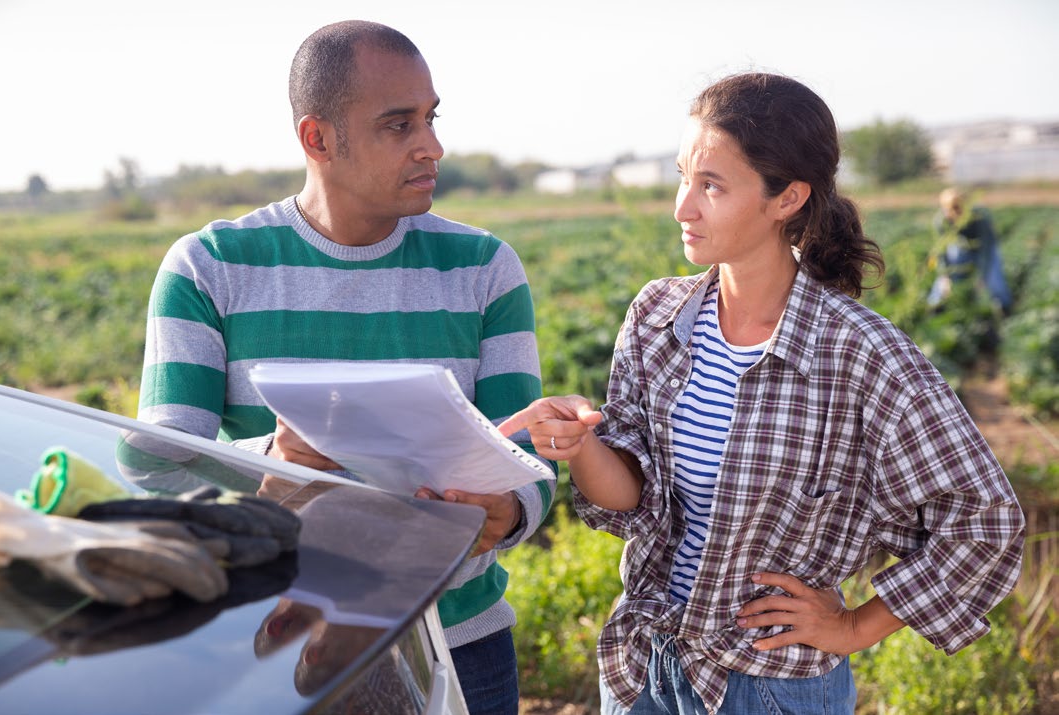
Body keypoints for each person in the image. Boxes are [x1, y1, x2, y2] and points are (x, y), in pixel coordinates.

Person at [499, 72, 1025, 715]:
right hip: (644, 669)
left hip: (767, 687)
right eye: (682, 177)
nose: (682, 207)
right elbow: (636, 499)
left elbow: (985, 521)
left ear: (787, 198)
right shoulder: (658, 319)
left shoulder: (859, 354)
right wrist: (582, 447)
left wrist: (856, 627)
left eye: (711, 185)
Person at [136, 20, 556, 714]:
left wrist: (507, 510)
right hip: (280, 649)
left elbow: (528, 453)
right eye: (399, 125)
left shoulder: (484, 268)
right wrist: (277, 458)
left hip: (462, 645)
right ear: (317, 138)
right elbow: (155, 468)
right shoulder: (208, 267)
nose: (433, 146)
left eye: (430, 118)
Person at [926, 187, 1014, 316]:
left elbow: (986, 249)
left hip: (984, 249)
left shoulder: (980, 217)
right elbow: (941, 250)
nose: (956, 213)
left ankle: (1006, 308)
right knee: (945, 280)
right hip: (962, 248)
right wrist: (945, 276)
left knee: (994, 279)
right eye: (952, 209)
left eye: (959, 208)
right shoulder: (941, 221)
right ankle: (935, 306)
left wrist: (982, 277)